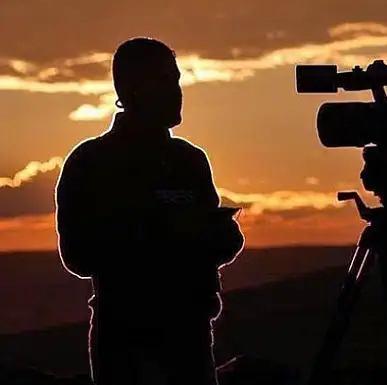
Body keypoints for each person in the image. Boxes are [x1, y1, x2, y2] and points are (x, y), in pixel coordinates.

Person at [55, 37, 245, 385]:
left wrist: (221, 235)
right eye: (164, 81)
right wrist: (161, 233)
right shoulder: (90, 162)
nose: (177, 92)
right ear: (132, 89)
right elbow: (77, 256)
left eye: (176, 80)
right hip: (125, 341)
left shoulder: (189, 160)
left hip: (190, 337)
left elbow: (219, 241)